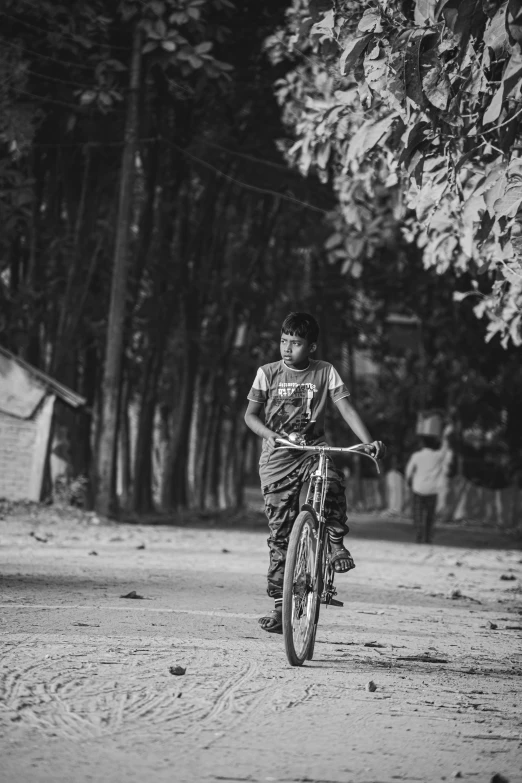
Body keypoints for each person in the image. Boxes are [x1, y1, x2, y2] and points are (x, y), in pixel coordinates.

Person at [244, 312, 385, 633]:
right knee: (280, 538)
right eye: (283, 341)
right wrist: (269, 435)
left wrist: (367, 442)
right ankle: (281, 608)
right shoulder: (266, 373)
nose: (287, 348)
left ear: (311, 347)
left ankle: (336, 542)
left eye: (295, 343)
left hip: (311, 452)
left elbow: (346, 408)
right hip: (276, 461)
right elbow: (250, 415)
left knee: (332, 480)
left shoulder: (325, 372)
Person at [405, 424, 453, 543]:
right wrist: (446, 435)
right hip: (432, 490)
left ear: (422, 444)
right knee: (430, 515)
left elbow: (408, 471)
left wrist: (408, 482)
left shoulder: (416, 456)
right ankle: (428, 536)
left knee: (418, 514)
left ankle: (419, 534)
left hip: (418, 489)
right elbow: (445, 448)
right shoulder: (438, 456)